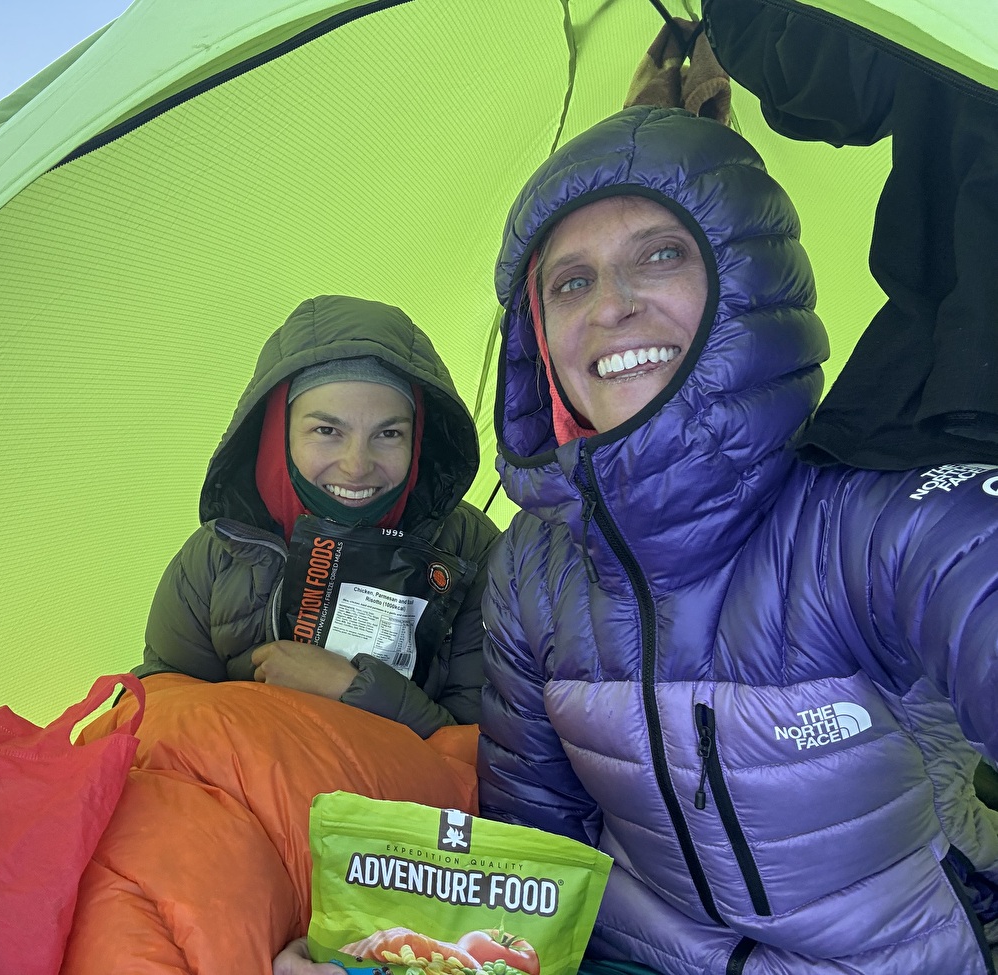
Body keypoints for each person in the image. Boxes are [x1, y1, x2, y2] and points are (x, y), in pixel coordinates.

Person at [478, 105, 998, 974]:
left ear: (747, 280)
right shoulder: (527, 567)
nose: (611, 305)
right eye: (570, 281)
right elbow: (529, 858)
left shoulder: (870, 520)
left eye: (660, 253)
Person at [136, 293, 501, 740]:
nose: (356, 465)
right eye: (326, 431)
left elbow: (487, 748)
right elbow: (156, 707)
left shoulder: (470, 549)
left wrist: (353, 688)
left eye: (389, 434)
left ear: (418, 439)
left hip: (398, 806)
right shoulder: (219, 554)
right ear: (278, 432)